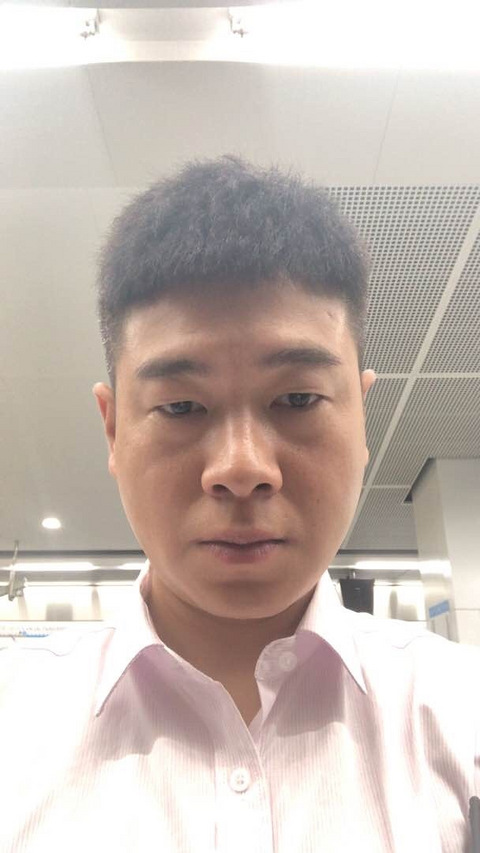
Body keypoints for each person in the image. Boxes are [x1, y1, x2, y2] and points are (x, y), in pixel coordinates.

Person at [1, 155, 479, 852]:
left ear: (361, 417)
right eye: (181, 406)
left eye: (297, 398)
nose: (242, 468)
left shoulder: (462, 716)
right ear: (113, 429)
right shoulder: (15, 721)